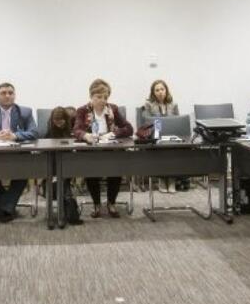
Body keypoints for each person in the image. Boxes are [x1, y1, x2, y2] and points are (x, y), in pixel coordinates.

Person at [0, 82, 37, 222]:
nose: (7, 95)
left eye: (11, 93)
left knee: (26, 169)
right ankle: (7, 208)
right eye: (3, 93)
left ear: (15, 95)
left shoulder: (25, 111)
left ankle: (3, 208)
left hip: (17, 154)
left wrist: (15, 136)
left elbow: (34, 132)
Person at [74, 79, 134, 217]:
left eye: (105, 97)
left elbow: (129, 128)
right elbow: (76, 130)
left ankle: (111, 203)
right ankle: (96, 204)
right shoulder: (82, 111)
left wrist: (114, 133)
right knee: (90, 169)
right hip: (92, 151)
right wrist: (85, 136)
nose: (102, 100)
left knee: (116, 167)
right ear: (91, 96)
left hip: (111, 149)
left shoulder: (113, 109)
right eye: (99, 97)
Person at [140, 79, 185, 192]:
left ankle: (171, 180)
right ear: (153, 92)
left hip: (171, 136)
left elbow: (178, 122)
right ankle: (162, 179)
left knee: (173, 149)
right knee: (161, 149)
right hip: (156, 137)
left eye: (162, 89)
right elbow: (146, 122)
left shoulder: (173, 104)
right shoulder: (148, 104)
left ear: (166, 90)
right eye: (157, 90)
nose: (160, 92)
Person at [44, 106, 82, 226]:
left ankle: (66, 215)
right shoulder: (49, 132)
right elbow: (44, 150)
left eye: (61, 121)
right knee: (63, 187)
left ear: (66, 119)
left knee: (64, 185)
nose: (58, 123)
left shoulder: (72, 130)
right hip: (52, 168)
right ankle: (69, 215)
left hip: (68, 166)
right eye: (56, 121)